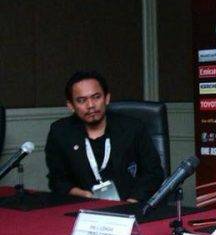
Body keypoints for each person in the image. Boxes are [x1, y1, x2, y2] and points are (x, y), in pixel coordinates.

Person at [45, 70, 164, 202]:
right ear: (71, 106)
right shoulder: (60, 132)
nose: (90, 105)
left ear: (107, 98)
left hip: (131, 205)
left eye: (96, 97)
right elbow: (57, 179)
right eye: (82, 100)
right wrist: (83, 195)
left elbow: (153, 173)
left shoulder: (132, 128)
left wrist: (132, 203)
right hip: (82, 205)